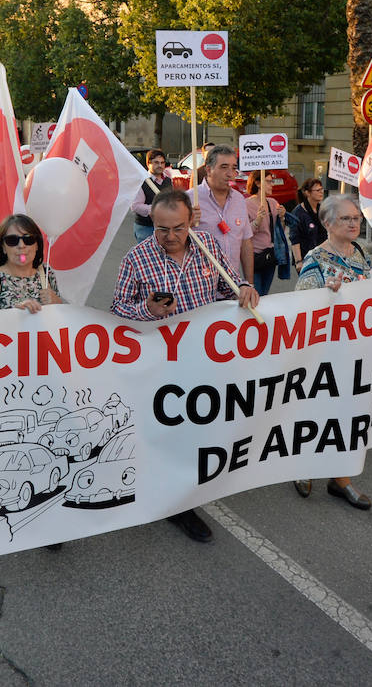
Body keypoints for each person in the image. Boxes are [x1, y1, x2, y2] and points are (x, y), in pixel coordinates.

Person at [111, 188, 258, 543]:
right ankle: (177, 506)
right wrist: (147, 310)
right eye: (162, 229)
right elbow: (116, 312)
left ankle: (190, 484)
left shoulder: (207, 246)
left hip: (205, 361)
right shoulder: (136, 260)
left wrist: (244, 287)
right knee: (172, 434)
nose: (170, 236)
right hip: (163, 367)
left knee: (201, 427)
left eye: (178, 228)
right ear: (152, 222)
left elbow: (229, 285)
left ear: (191, 220)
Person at [292, 194, 372, 509]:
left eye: (356, 218)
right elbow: (300, 308)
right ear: (327, 222)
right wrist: (327, 296)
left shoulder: (360, 251)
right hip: (326, 353)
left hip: (360, 351)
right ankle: (301, 467)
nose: (353, 223)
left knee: (350, 415)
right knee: (318, 412)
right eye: (346, 218)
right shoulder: (315, 258)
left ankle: (340, 478)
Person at [0, 215, 64, 312]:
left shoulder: (46, 273)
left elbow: (60, 317)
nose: (21, 245)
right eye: (12, 240)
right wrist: (15, 314)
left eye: (28, 239)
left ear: (37, 245)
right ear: (3, 247)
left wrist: (57, 302)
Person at [188, 145, 253, 285]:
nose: (230, 174)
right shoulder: (190, 199)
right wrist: (187, 225)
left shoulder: (239, 199)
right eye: (224, 167)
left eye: (234, 168)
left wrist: (249, 283)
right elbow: (169, 241)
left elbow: (246, 242)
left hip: (233, 286)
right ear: (208, 170)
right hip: (199, 286)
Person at [244, 171, 285, 295]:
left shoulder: (272, 202)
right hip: (254, 256)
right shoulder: (246, 204)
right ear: (258, 183)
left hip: (270, 255)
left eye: (272, 181)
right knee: (256, 294)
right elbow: (244, 233)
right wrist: (257, 221)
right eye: (268, 181)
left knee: (265, 294)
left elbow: (279, 231)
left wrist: (282, 218)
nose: (272, 184)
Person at [130, 149, 172, 243]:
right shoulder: (142, 181)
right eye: (156, 162)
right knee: (148, 252)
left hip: (164, 227)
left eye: (162, 163)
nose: (160, 165)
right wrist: (155, 210)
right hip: (146, 228)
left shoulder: (168, 180)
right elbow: (135, 206)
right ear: (148, 164)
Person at [286, 178, 326, 260]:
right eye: (318, 190)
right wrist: (298, 261)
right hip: (305, 257)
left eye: (322, 189)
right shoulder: (298, 213)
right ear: (307, 193)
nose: (321, 192)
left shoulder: (322, 209)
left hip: (322, 256)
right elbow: (295, 239)